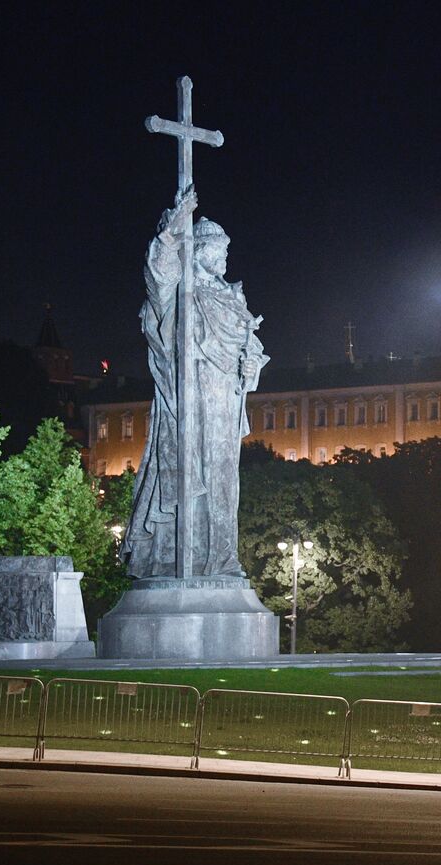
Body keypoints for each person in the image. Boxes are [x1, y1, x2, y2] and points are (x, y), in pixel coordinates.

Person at [122, 188, 269, 579]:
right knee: (190, 474)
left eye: (225, 251)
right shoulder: (180, 292)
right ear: (199, 250)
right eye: (218, 250)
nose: (224, 258)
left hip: (224, 400)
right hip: (191, 399)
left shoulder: (231, 298)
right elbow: (158, 274)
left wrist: (249, 362)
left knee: (222, 480)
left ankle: (220, 559)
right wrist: (173, 228)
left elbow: (247, 349)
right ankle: (179, 561)